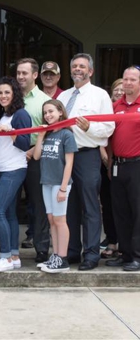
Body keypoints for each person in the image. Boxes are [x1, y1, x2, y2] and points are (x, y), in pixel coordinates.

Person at [58, 53, 115, 271]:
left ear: (90, 71)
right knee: (68, 206)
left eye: (82, 66)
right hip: (64, 157)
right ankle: (71, 251)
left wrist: (88, 127)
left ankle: (91, 254)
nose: (78, 69)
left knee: (90, 207)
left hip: (87, 155)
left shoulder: (100, 96)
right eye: (74, 66)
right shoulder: (64, 97)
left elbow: (109, 128)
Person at [0, 77, 31, 272]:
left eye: (7, 92)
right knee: (9, 214)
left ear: (14, 94)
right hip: (2, 168)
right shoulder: (2, 115)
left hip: (14, 169)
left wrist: (11, 131)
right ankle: (14, 256)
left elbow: (24, 144)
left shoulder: (21, 114)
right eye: (0, 93)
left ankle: (5, 257)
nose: (3, 96)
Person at [33, 99, 77, 273]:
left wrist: (63, 188)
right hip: (47, 182)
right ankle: (56, 255)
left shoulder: (66, 134)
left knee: (60, 220)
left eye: (51, 111)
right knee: (52, 220)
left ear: (60, 112)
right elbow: (36, 156)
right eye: (45, 113)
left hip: (60, 183)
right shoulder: (48, 133)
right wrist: (41, 137)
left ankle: (63, 258)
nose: (48, 115)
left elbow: (69, 163)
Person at [16, 58, 51, 263]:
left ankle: (41, 249)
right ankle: (9, 250)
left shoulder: (43, 101)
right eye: (19, 73)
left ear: (35, 75)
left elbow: (49, 132)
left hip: (35, 159)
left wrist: (30, 151)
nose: (21, 76)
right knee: (9, 205)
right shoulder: (10, 98)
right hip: (11, 159)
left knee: (38, 205)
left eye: (25, 73)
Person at [106, 66, 140, 271]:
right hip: (118, 165)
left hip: (137, 165)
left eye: (133, 80)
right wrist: (110, 162)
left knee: (138, 212)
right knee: (120, 212)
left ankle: (137, 255)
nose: (128, 83)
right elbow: (109, 136)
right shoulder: (115, 106)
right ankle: (125, 254)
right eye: (125, 79)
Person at [99, 78, 123, 258]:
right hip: (105, 162)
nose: (119, 92)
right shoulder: (107, 109)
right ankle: (112, 240)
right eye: (116, 89)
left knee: (126, 206)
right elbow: (100, 134)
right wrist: (105, 158)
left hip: (125, 163)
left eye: (123, 90)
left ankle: (126, 243)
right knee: (107, 204)